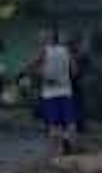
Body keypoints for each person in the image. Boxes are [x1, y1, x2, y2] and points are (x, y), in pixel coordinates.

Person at [31, 29, 79, 157]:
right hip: (66, 91)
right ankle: (68, 146)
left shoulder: (43, 51)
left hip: (50, 94)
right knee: (71, 124)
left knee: (53, 126)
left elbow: (32, 66)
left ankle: (53, 155)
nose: (39, 39)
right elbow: (75, 71)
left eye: (42, 37)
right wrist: (64, 77)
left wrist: (44, 75)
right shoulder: (67, 51)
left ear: (49, 39)